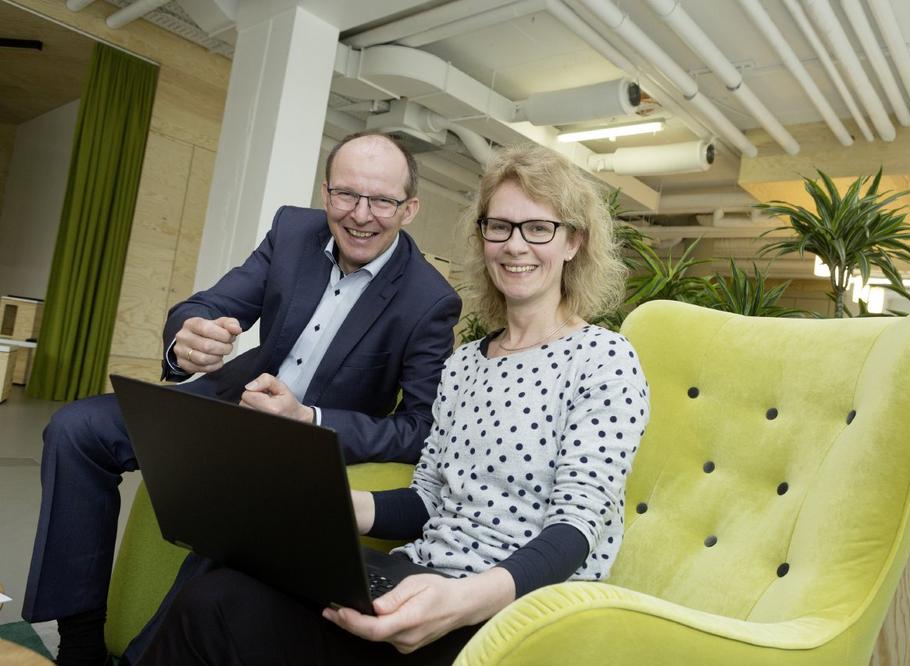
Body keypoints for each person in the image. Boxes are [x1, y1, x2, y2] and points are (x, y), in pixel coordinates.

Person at [137, 143, 651, 665]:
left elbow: (576, 529)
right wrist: (324, 505)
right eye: (499, 226)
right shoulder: (464, 364)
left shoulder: (604, 358)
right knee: (215, 600)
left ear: (573, 242)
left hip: (512, 616)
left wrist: (460, 601)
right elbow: (426, 499)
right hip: (419, 576)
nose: (515, 245)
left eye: (538, 228)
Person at [23, 131, 462, 666]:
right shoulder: (292, 230)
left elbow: (420, 427)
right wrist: (188, 338)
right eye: (346, 194)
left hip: (300, 445)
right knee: (76, 430)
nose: (360, 215)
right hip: (226, 405)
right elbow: (206, 306)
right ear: (326, 191)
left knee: (238, 516)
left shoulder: (430, 300)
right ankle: (80, 643)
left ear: (409, 208)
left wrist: (309, 417)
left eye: (382, 201)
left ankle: (145, 659)